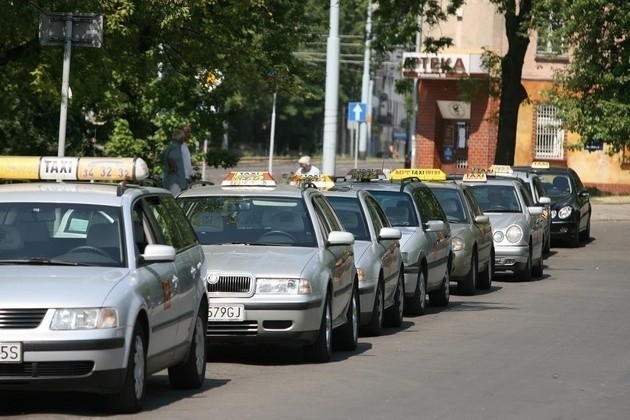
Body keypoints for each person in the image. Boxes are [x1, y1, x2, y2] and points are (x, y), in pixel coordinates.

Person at [162, 129, 188, 196]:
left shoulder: (170, 146)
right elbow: (171, 158)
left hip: (171, 180)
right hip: (176, 181)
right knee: (175, 199)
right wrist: (173, 168)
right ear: (181, 138)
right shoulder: (176, 147)